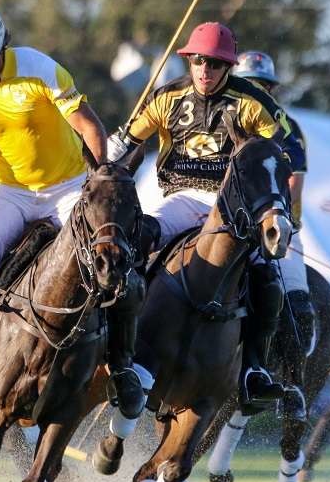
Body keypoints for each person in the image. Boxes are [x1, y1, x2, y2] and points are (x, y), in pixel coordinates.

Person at [0, 3, 142, 428]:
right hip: (5, 191)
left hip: (65, 188)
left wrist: (98, 182)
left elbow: (89, 127)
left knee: (115, 273)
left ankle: (121, 369)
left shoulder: (39, 68)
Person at [107, 22, 307, 416]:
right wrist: (104, 167)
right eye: (199, 62)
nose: (205, 71)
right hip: (180, 196)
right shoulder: (167, 97)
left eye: (214, 64)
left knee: (267, 277)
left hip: (233, 206)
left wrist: (277, 211)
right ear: (190, 60)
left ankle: (254, 371)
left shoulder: (251, 102)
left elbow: (284, 155)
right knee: (134, 243)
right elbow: (126, 144)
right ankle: (115, 350)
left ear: (227, 67)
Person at [232, 49, 316, 406]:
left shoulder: (287, 128)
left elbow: (294, 181)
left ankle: (291, 380)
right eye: (249, 85)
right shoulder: (226, 117)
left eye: (262, 85)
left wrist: (278, 216)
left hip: (275, 226)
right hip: (231, 223)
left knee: (295, 292)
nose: (256, 91)